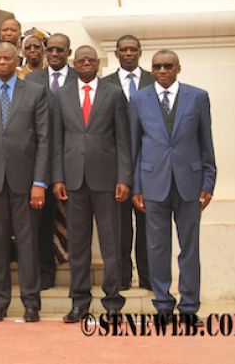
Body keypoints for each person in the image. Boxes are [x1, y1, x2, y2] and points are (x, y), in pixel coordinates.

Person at [130, 50, 216, 323]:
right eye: (157, 66)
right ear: (152, 69)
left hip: (189, 184)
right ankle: (163, 305)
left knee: (189, 248)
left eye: (168, 66)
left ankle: (189, 307)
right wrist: (136, 186)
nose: (162, 71)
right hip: (152, 183)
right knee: (157, 248)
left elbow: (206, 142)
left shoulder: (198, 97)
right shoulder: (139, 99)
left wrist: (209, 181)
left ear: (179, 68)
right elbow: (134, 146)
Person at [0, 42, 49, 323]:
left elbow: (44, 140)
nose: (2, 62)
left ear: (17, 61)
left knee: (28, 245)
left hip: (26, 182)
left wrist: (40, 182)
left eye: (7, 58)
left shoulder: (36, 92)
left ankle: (31, 303)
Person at [51, 46, 131, 322]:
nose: (86, 63)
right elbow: (57, 140)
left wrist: (124, 178)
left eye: (91, 60)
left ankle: (113, 302)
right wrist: (57, 178)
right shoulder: (62, 95)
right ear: (74, 63)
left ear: (98, 64)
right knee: (77, 245)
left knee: (111, 244)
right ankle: (79, 301)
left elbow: (123, 140)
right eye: (81, 60)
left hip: (107, 180)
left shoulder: (114, 94)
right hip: (73, 180)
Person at [101, 34, 153, 291]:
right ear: (117, 53)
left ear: (140, 52)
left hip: (148, 163)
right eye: (124, 49)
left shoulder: (154, 81)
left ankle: (148, 277)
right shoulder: (104, 84)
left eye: (133, 49)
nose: (129, 53)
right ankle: (122, 277)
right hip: (115, 165)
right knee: (119, 227)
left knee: (147, 225)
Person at [26, 32, 76, 289]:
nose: (54, 54)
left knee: (76, 220)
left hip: (74, 160)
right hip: (41, 159)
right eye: (51, 49)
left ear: (69, 52)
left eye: (60, 50)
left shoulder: (81, 78)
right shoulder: (32, 80)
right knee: (42, 222)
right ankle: (45, 273)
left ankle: (78, 275)